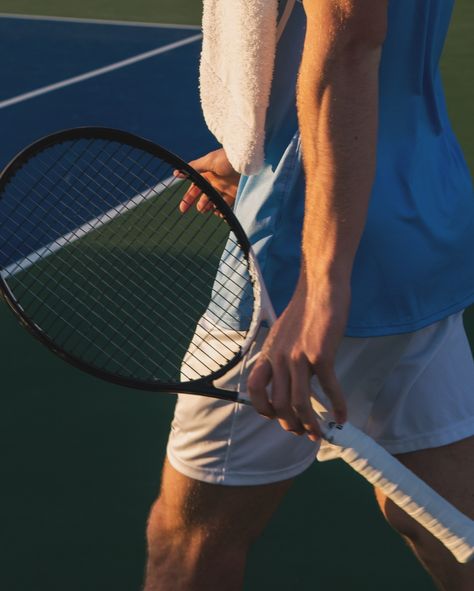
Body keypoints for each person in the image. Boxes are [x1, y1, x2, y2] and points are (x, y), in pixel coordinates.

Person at [143, 1, 474, 589]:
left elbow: (350, 44)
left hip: (301, 250)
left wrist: (321, 287)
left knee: (187, 548)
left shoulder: (307, 270)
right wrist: (261, 145)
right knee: (448, 525)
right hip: (420, 219)